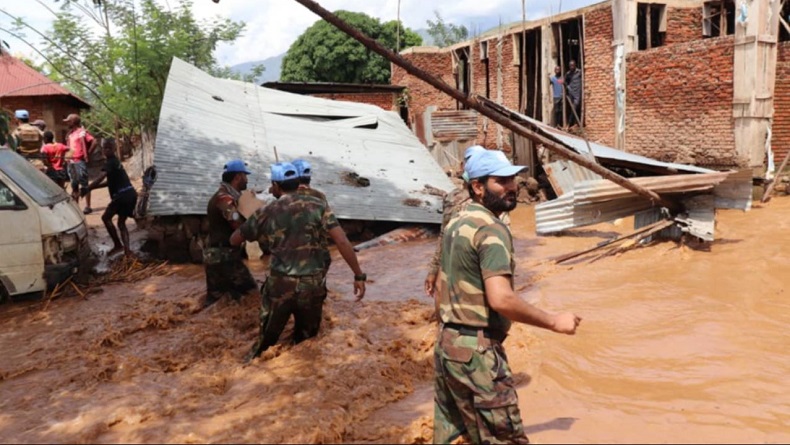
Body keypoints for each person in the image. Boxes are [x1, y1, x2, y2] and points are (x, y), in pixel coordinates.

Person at [433, 150, 582, 444]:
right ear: (478, 187)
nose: (512, 187)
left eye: (512, 179)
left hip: (448, 348)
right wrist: (555, 321)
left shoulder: (457, 223)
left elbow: (440, 288)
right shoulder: (491, 229)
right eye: (501, 181)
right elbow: (501, 299)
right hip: (478, 354)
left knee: (454, 437)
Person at [230, 161, 366, 362]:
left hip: (280, 286)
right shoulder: (319, 205)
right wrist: (358, 275)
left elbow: (235, 240)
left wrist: (256, 229)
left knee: (265, 343)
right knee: (307, 344)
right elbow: (342, 241)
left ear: (276, 186)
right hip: (312, 284)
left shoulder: (267, 211)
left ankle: (247, 373)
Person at [424, 145, 486, 298]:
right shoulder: (453, 199)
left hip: (479, 263)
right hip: (458, 264)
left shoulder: (491, 201)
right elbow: (444, 235)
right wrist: (434, 270)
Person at [203, 159, 258, 307]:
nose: (247, 180)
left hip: (218, 254)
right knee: (251, 292)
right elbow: (237, 224)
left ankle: (207, 325)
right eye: (245, 176)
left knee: (217, 299)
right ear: (238, 177)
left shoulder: (228, 196)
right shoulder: (224, 199)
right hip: (223, 256)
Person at [84, 138, 138, 257]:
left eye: (109, 148)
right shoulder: (116, 161)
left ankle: (118, 246)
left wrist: (88, 188)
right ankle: (127, 251)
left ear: (114, 148)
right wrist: (93, 188)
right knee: (121, 223)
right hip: (130, 193)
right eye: (105, 148)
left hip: (121, 196)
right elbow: (110, 182)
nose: (106, 150)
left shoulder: (110, 163)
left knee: (106, 218)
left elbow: (101, 177)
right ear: (102, 149)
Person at [63, 113, 98, 214]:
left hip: (79, 161)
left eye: (68, 121)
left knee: (84, 184)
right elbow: (70, 148)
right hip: (71, 162)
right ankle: (77, 206)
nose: (67, 123)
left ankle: (88, 206)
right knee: (74, 184)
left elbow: (94, 142)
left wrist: (87, 154)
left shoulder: (82, 132)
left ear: (73, 122)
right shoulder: (69, 134)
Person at [564, 60, 582, 127]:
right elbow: (564, 81)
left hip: (577, 92)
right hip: (571, 93)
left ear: (575, 65)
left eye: (572, 65)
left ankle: (571, 122)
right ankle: (574, 123)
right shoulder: (568, 74)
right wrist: (567, 86)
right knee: (572, 108)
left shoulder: (579, 72)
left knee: (576, 106)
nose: (571, 67)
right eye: (570, 66)